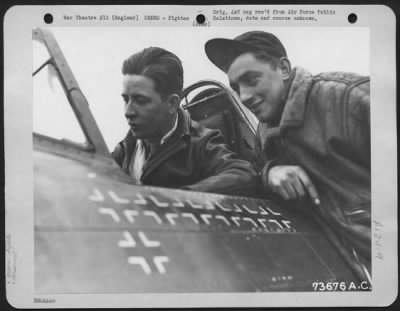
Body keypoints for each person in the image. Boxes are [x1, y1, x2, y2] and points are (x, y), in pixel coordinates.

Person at [205, 31, 371, 281]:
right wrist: (270, 172)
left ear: (283, 68)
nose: (245, 96)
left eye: (252, 79)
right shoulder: (265, 130)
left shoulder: (348, 98)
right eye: (237, 87)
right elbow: (257, 175)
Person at [112, 47, 257, 196]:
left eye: (140, 100)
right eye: (126, 100)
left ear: (172, 104)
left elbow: (243, 173)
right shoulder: (126, 147)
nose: (128, 112)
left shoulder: (201, 143)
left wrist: (182, 197)